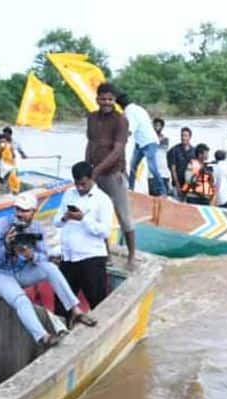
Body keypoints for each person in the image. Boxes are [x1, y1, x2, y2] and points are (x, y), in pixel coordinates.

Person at [0, 192, 96, 348]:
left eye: (24, 211)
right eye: (17, 210)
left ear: (33, 212)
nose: (20, 214)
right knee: (21, 300)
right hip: (0, 274)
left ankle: (75, 311)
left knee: (50, 268)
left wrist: (32, 256)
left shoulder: (36, 228)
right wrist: (6, 246)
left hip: (22, 270)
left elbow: (45, 256)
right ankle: (43, 337)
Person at [85, 82, 136, 269]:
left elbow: (117, 151)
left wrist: (95, 171)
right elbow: (90, 144)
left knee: (124, 216)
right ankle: (106, 255)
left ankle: (131, 256)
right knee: (98, 215)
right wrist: (86, 167)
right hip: (95, 174)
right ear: (97, 99)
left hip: (114, 175)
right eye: (103, 98)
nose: (106, 102)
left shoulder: (121, 120)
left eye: (110, 99)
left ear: (114, 100)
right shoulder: (91, 117)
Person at [54, 161, 113, 309]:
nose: (80, 188)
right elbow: (56, 222)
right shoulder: (69, 194)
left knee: (97, 302)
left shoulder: (102, 199)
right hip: (68, 256)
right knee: (62, 303)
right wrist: (65, 217)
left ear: (91, 179)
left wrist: (83, 219)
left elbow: (105, 231)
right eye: (77, 184)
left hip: (91, 257)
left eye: (83, 184)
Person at [117, 93, 166, 196]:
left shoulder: (129, 111)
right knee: (133, 166)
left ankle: (163, 191)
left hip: (149, 142)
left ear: (120, 105)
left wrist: (120, 142)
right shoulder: (138, 108)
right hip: (140, 143)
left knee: (152, 167)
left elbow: (130, 129)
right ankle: (130, 189)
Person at [167, 127, 196, 201]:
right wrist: (177, 186)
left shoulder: (194, 151)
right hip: (177, 184)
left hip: (190, 185)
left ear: (190, 137)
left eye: (186, 136)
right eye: (182, 135)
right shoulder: (174, 150)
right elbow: (173, 169)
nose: (183, 138)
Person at [153, 118, 171, 196]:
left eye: (159, 125)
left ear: (162, 127)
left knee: (164, 195)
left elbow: (162, 144)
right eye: (155, 125)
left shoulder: (165, 139)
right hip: (152, 174)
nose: (157, 127)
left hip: (164, 173)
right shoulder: (149, 138)